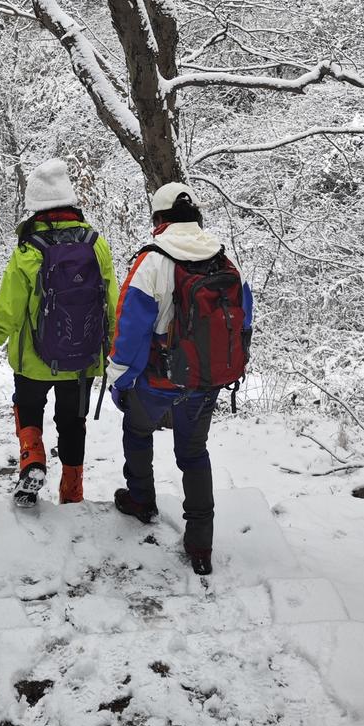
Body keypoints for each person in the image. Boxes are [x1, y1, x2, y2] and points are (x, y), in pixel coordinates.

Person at [0, 159, 118, 507]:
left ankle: (33, 460)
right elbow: (113, 304)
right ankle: (72, 493)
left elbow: (7, 313)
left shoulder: (29, 251)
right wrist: (115, 352)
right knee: (73, 423)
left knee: (28, 408)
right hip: (84, 360)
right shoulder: (96, 245)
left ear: (35, 204)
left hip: (33, 361)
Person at [109, 181, 253, 576]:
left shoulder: (152, 262)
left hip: (159, 381)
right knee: (193, 453)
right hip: (206, 380)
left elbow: (130, 330)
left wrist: (119, 379)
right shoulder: (223, 260)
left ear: (159, 218)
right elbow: (244, 320)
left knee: (137, 429)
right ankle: (201, 544)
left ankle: (141, 499)